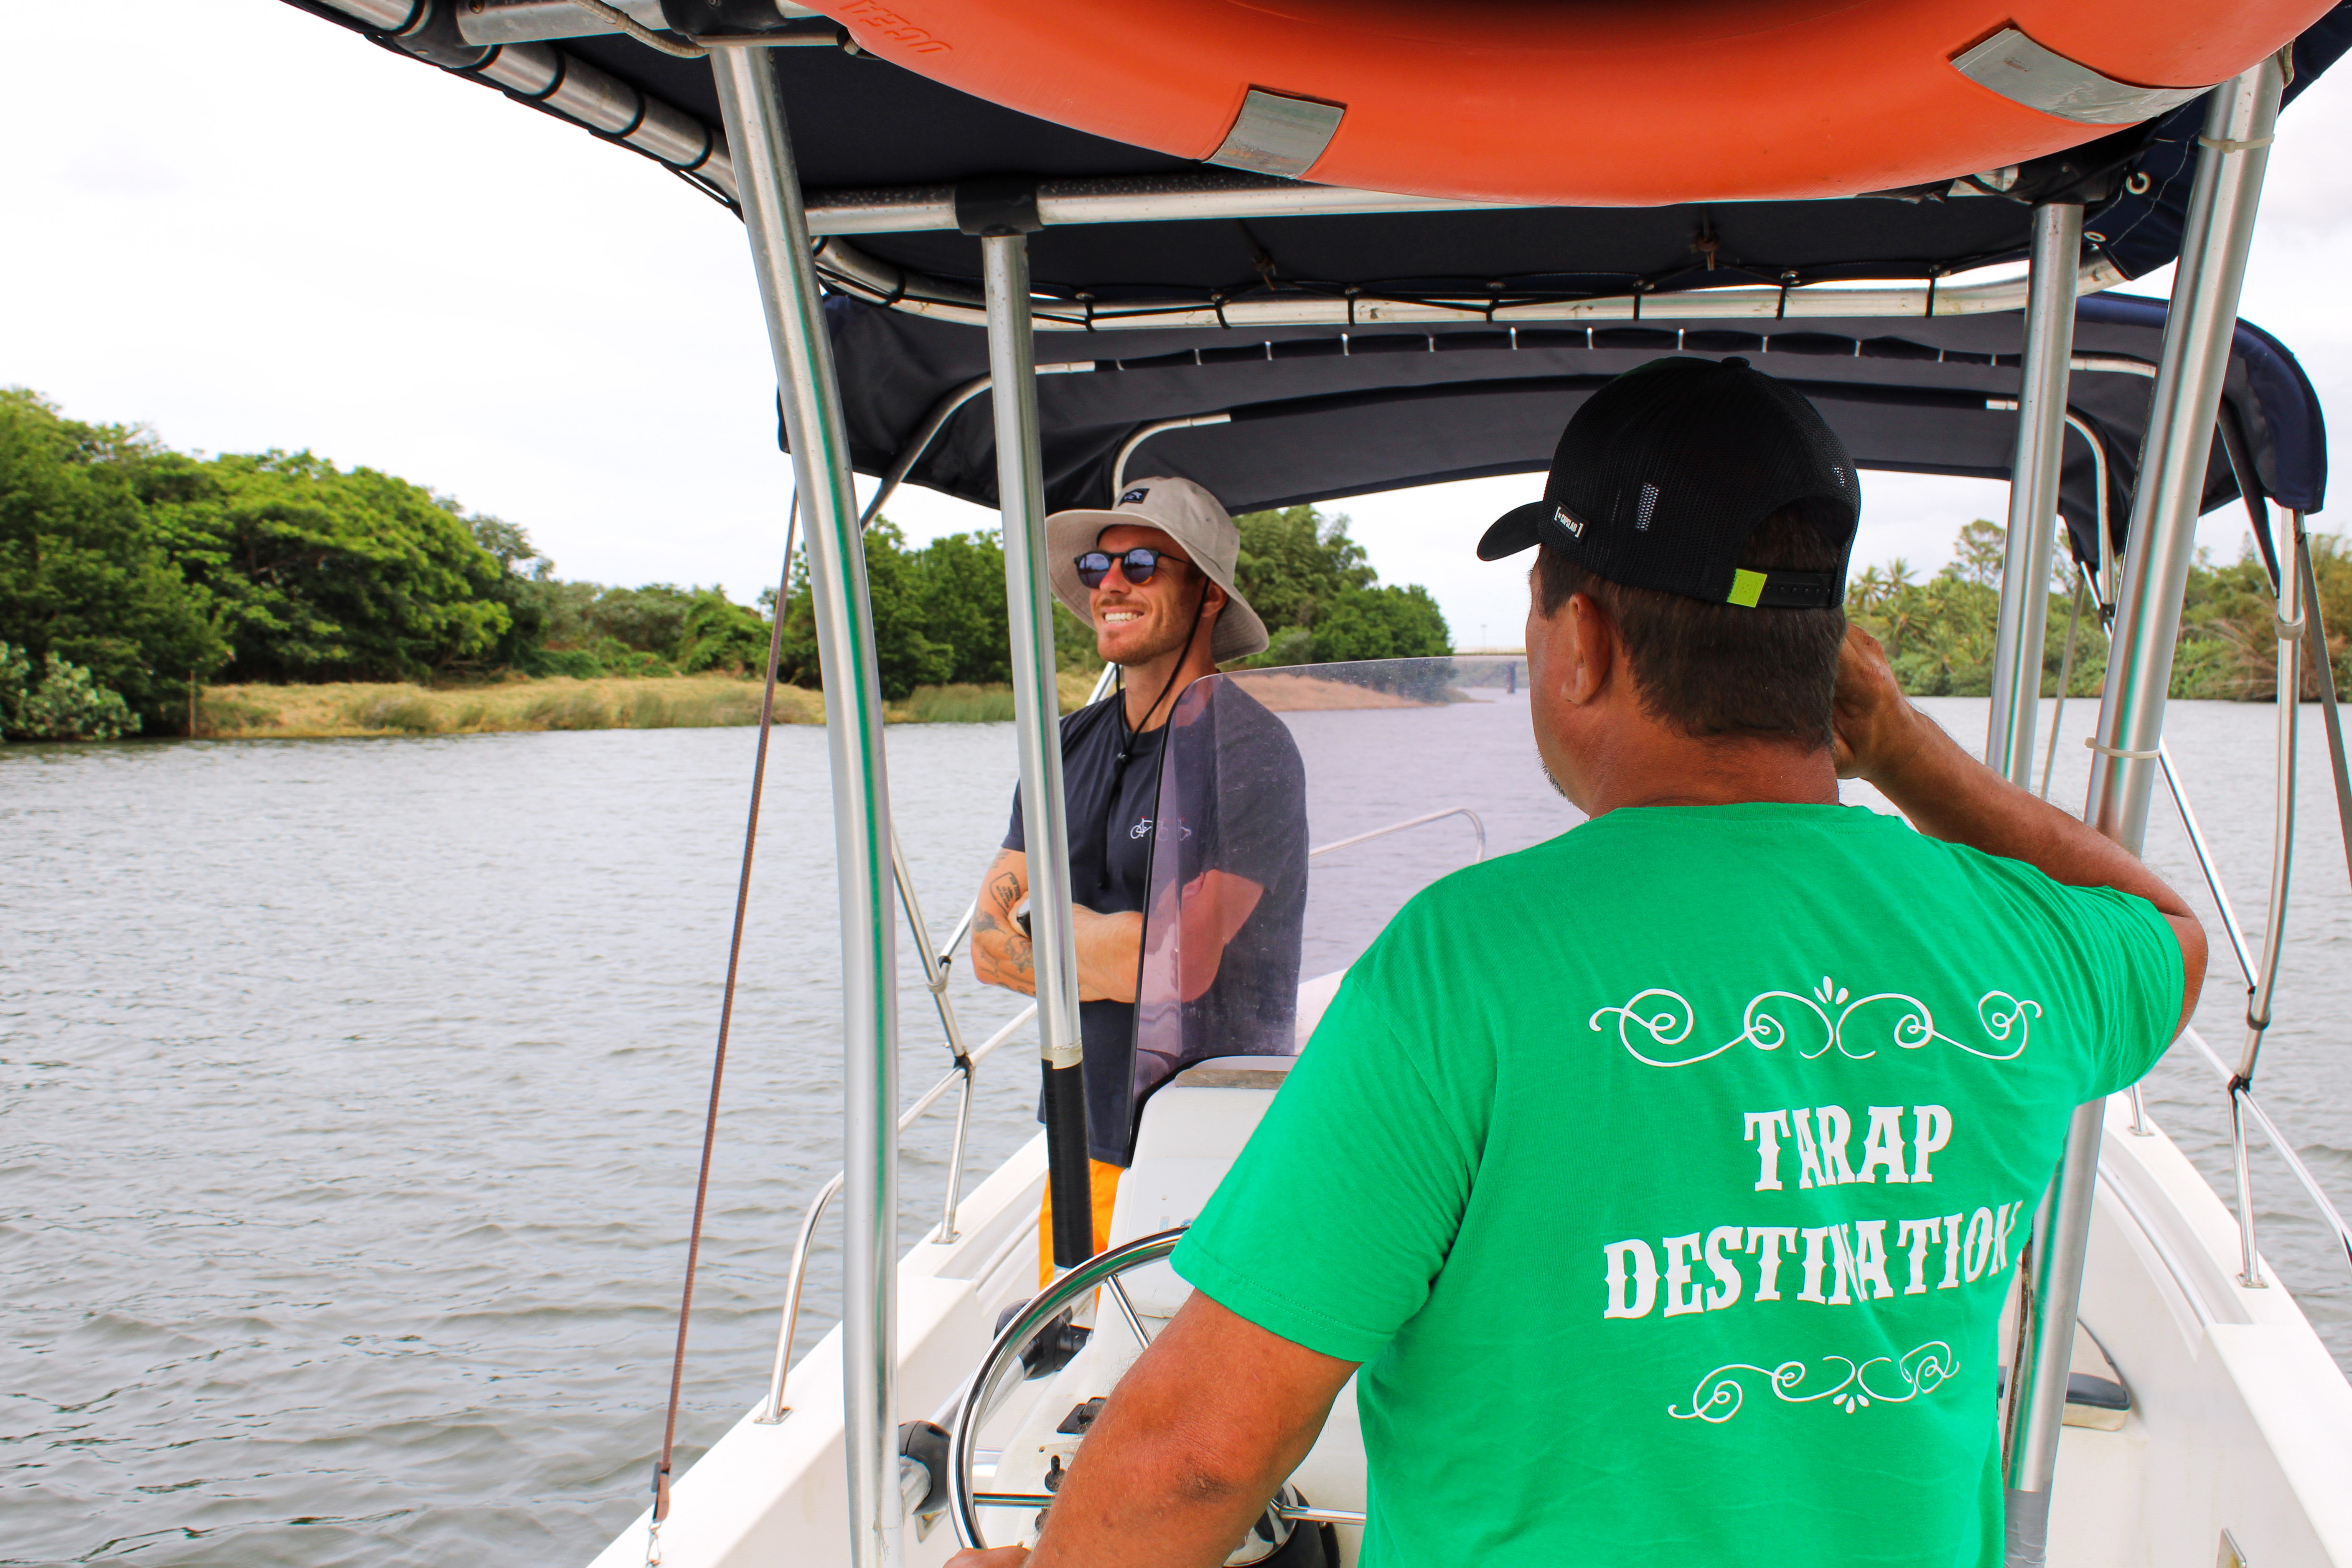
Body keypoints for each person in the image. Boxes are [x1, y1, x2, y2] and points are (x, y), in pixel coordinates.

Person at [946, 358, 2206, 1568]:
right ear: (1832, 664)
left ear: (1581, 642)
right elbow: (2171, 937)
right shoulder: (2014, 939)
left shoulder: (1465, 963)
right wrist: (1906, 754)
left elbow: (1202, 1455)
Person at [970, 477, 1307, 1278]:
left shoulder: (1248, 751)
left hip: (1209, 1148)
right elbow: (988, 945)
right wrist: (1111, 946)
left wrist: (1046, 925)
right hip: (1078, 1137)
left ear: (1209, 595)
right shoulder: (1062, 747)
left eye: (1144, 563)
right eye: (1097, 565)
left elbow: (1171, 966)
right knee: (1082, 1378)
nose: (1110, 584)